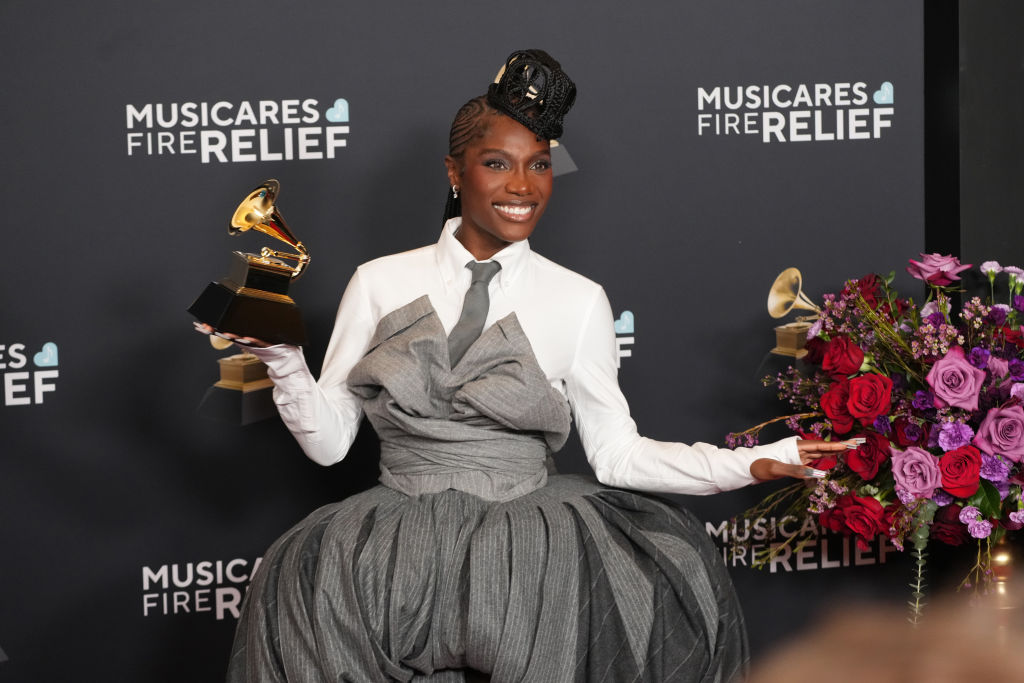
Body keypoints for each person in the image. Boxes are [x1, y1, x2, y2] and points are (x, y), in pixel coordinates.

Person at [200, 49, 848, 682]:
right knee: (301, 588)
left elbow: (618, 456)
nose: (522, 186)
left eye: (539, 165)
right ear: (455, 172)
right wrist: (282, 359)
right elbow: (329, 444)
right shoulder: (378, 283)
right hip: (391, 553)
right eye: (497, 163)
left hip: (537, 560)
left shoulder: (578, 298)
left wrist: (755, 461)